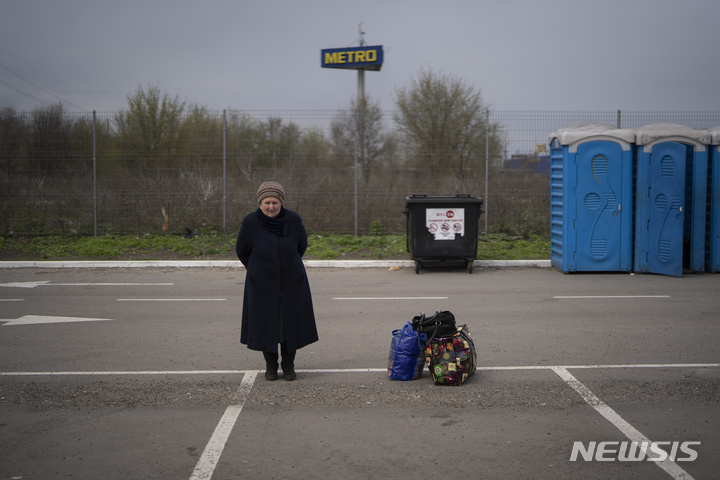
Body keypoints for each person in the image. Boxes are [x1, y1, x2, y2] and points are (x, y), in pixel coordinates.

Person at [235, 181, 318, 381]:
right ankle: (271, 366)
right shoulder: (250, 223)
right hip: (262, 284)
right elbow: (242, 251)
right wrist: (257, 269)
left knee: (290, 324)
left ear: (281, 202)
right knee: (267, 325)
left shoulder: (293, 220)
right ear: (260, 203)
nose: (271, 206)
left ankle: (288, 365)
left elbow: (301, 246)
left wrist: (287, 266)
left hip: (292, 282)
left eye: (274, 202)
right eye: (266, 202)